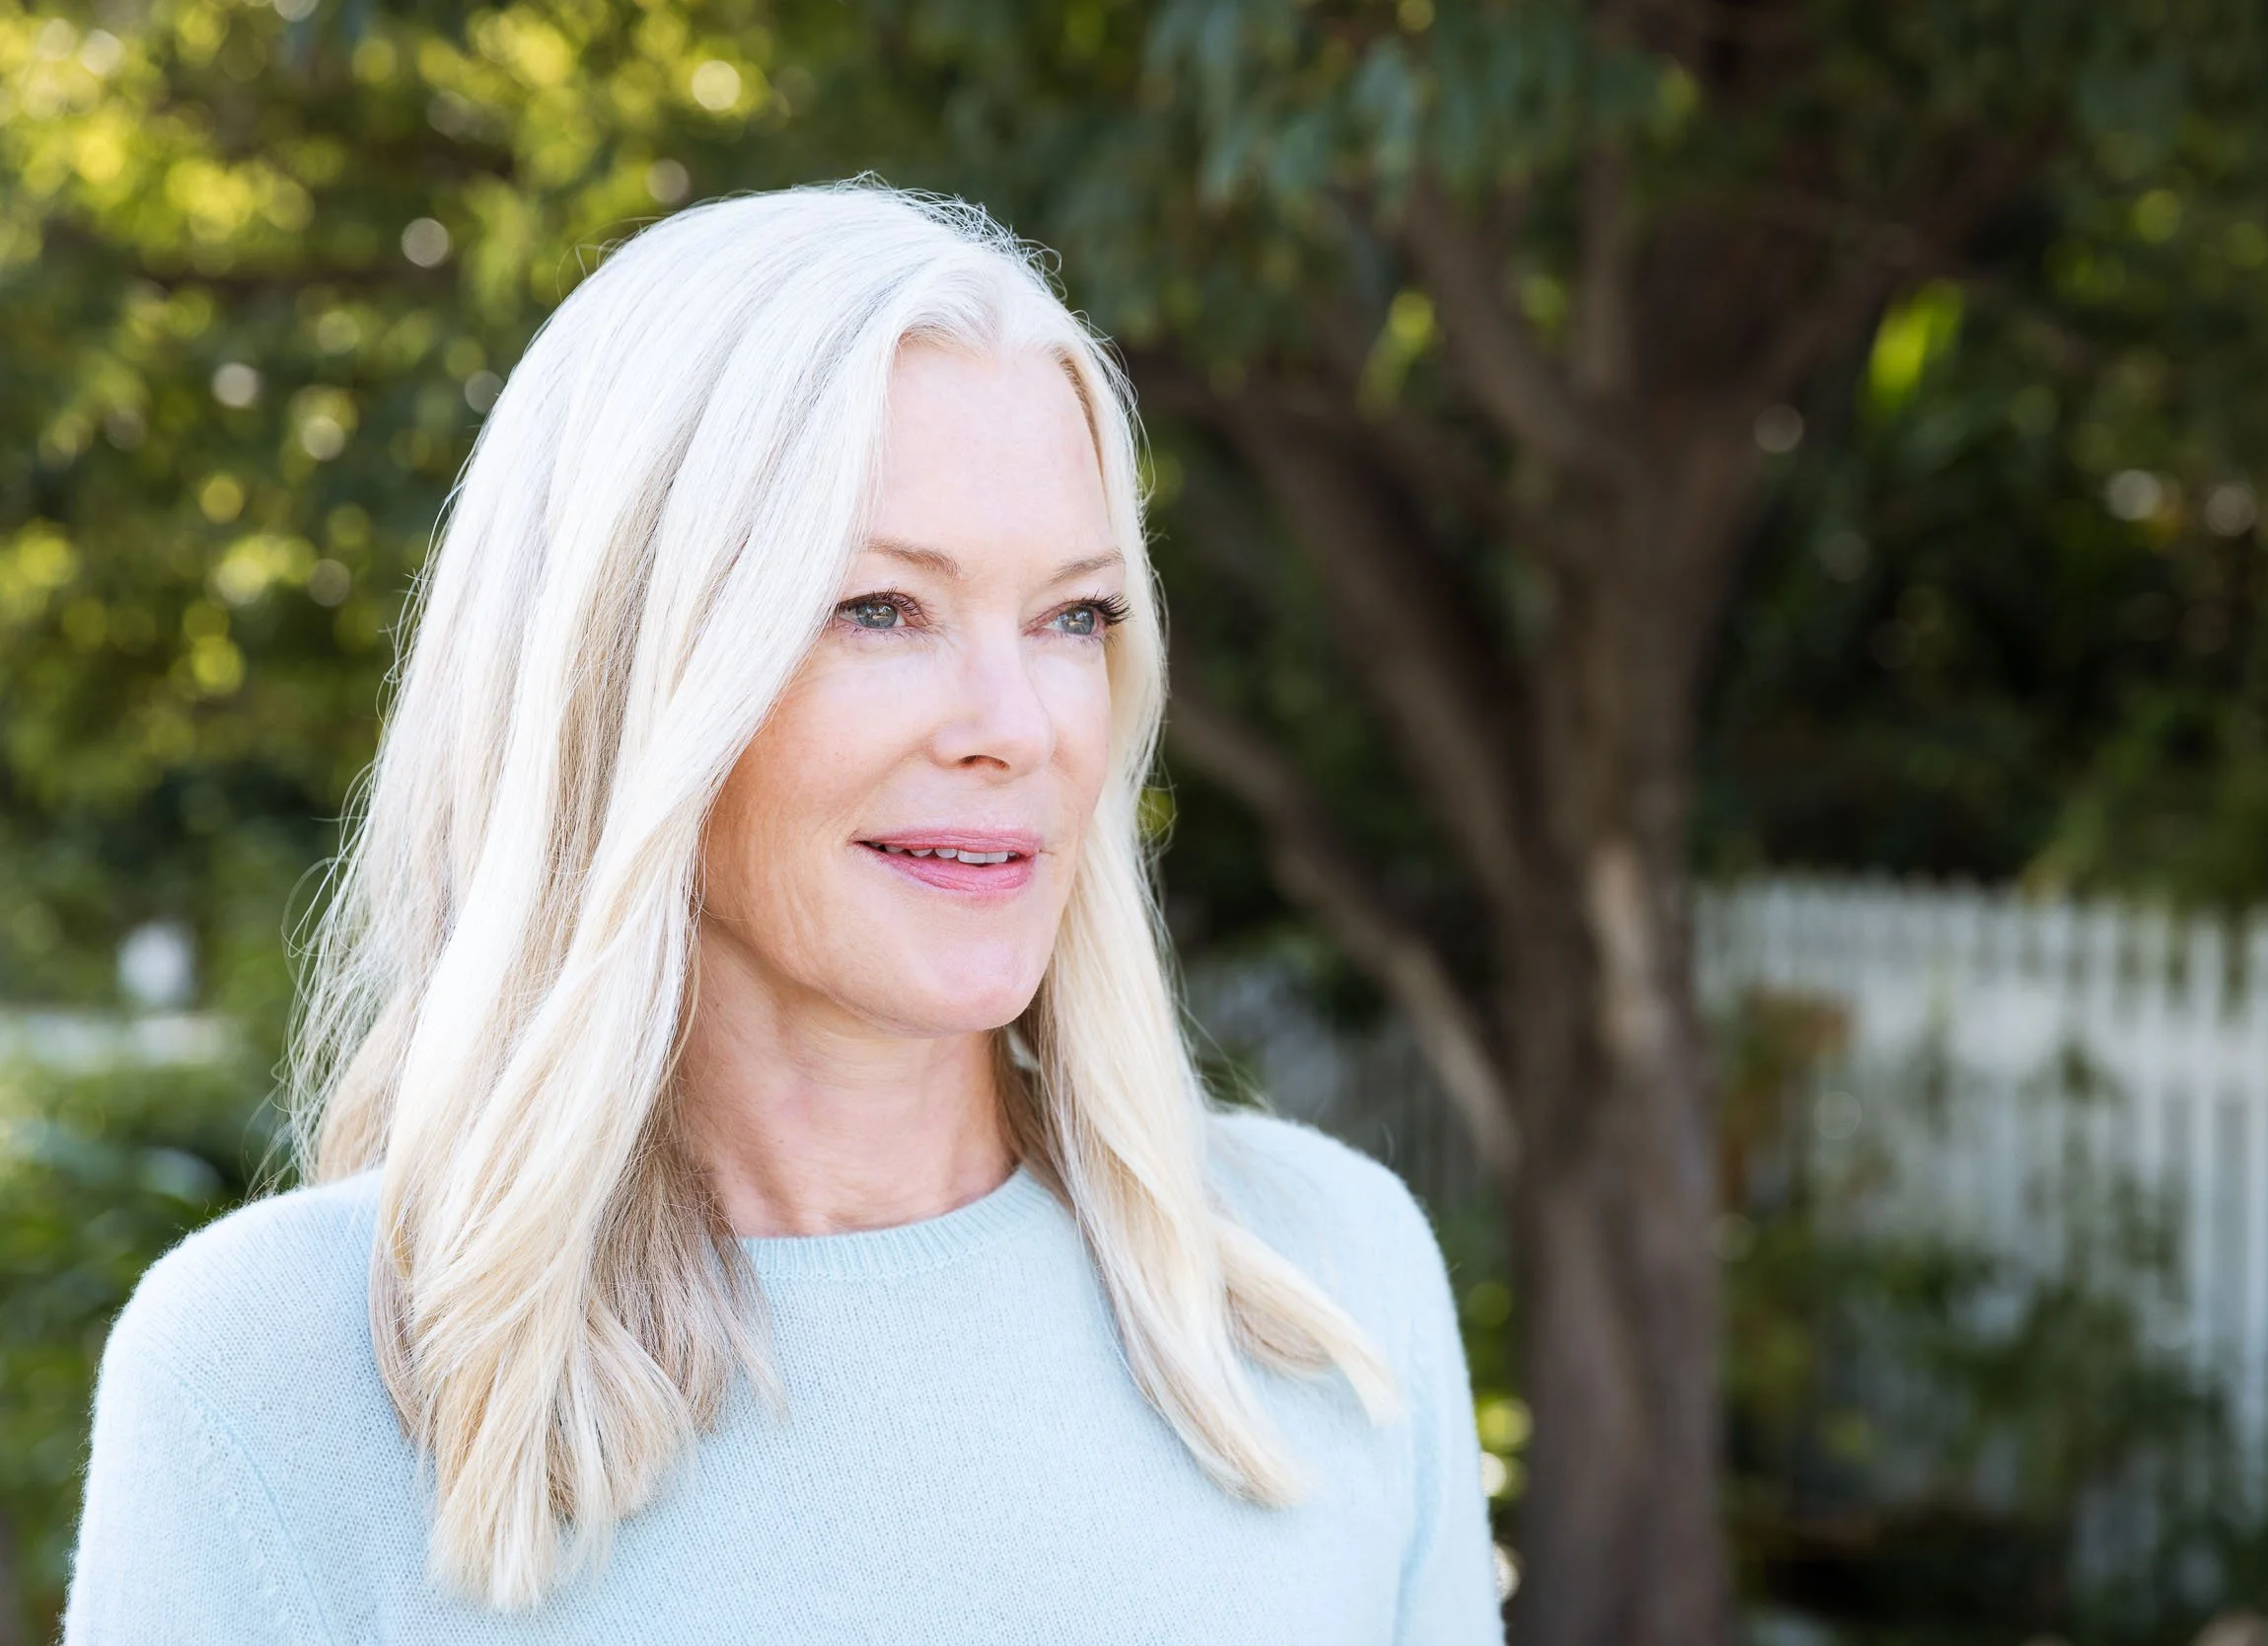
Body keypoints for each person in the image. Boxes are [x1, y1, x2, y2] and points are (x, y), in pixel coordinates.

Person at [62, 183, 1505, 1644]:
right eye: (882, 608)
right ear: (629, 680)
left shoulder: (1332, 1282)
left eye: (1074, 617)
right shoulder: (274, 1383)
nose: (1020, 728)